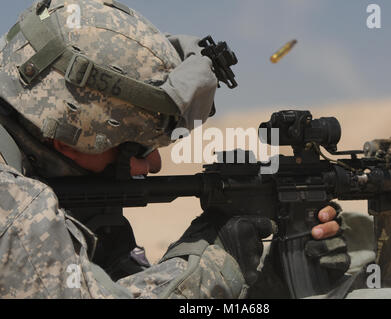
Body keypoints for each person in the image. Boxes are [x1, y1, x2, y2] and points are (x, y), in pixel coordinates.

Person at [0, 0, 348, 298]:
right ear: (66, 138)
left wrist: (269, 285)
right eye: (136, 147)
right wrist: (210, 267)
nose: (151, 164)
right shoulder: (16, 210)